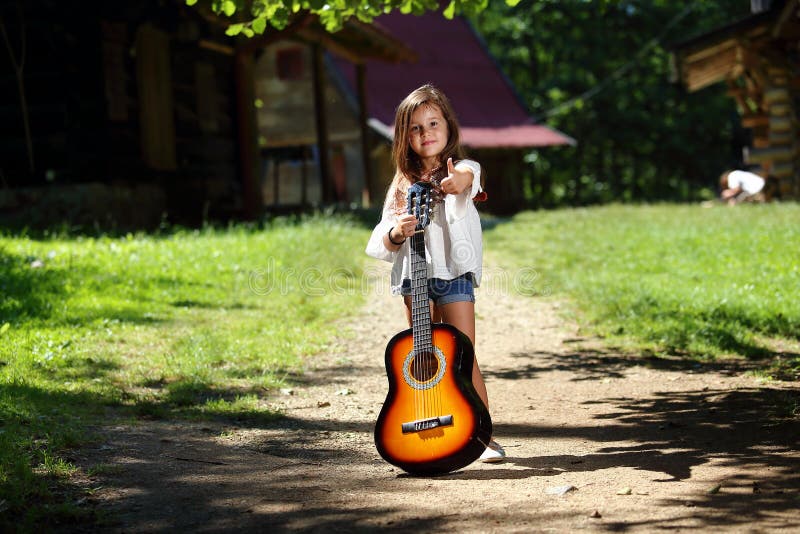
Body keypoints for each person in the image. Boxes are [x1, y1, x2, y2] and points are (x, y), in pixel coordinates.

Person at [365, 84, 504, 463]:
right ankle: (433, 423)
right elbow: (383, 235)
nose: (425, 133)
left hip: (455, 272)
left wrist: (458, 182)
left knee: (462, 352)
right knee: (425, 356)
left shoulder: (461, 167)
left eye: (432, 123)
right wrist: (397, 232)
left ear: (448, 127)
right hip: (415, 277)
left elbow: (469, 180)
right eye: (415, 128)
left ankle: (480, 435)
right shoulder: (401, 184)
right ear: (404, 138)